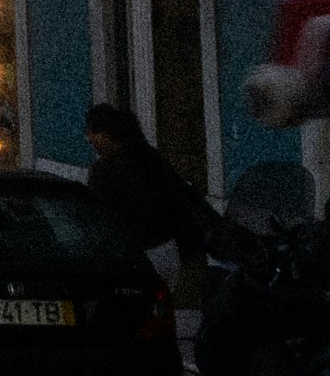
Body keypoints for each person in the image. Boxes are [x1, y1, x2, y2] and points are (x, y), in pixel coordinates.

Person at [84, 102, 226, 282]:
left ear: (106, 135)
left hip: (131, 255)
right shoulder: (150, 157)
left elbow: (98, 218)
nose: (89, 139)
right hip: (166, 250)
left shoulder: (103, 170)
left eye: (92, 133)